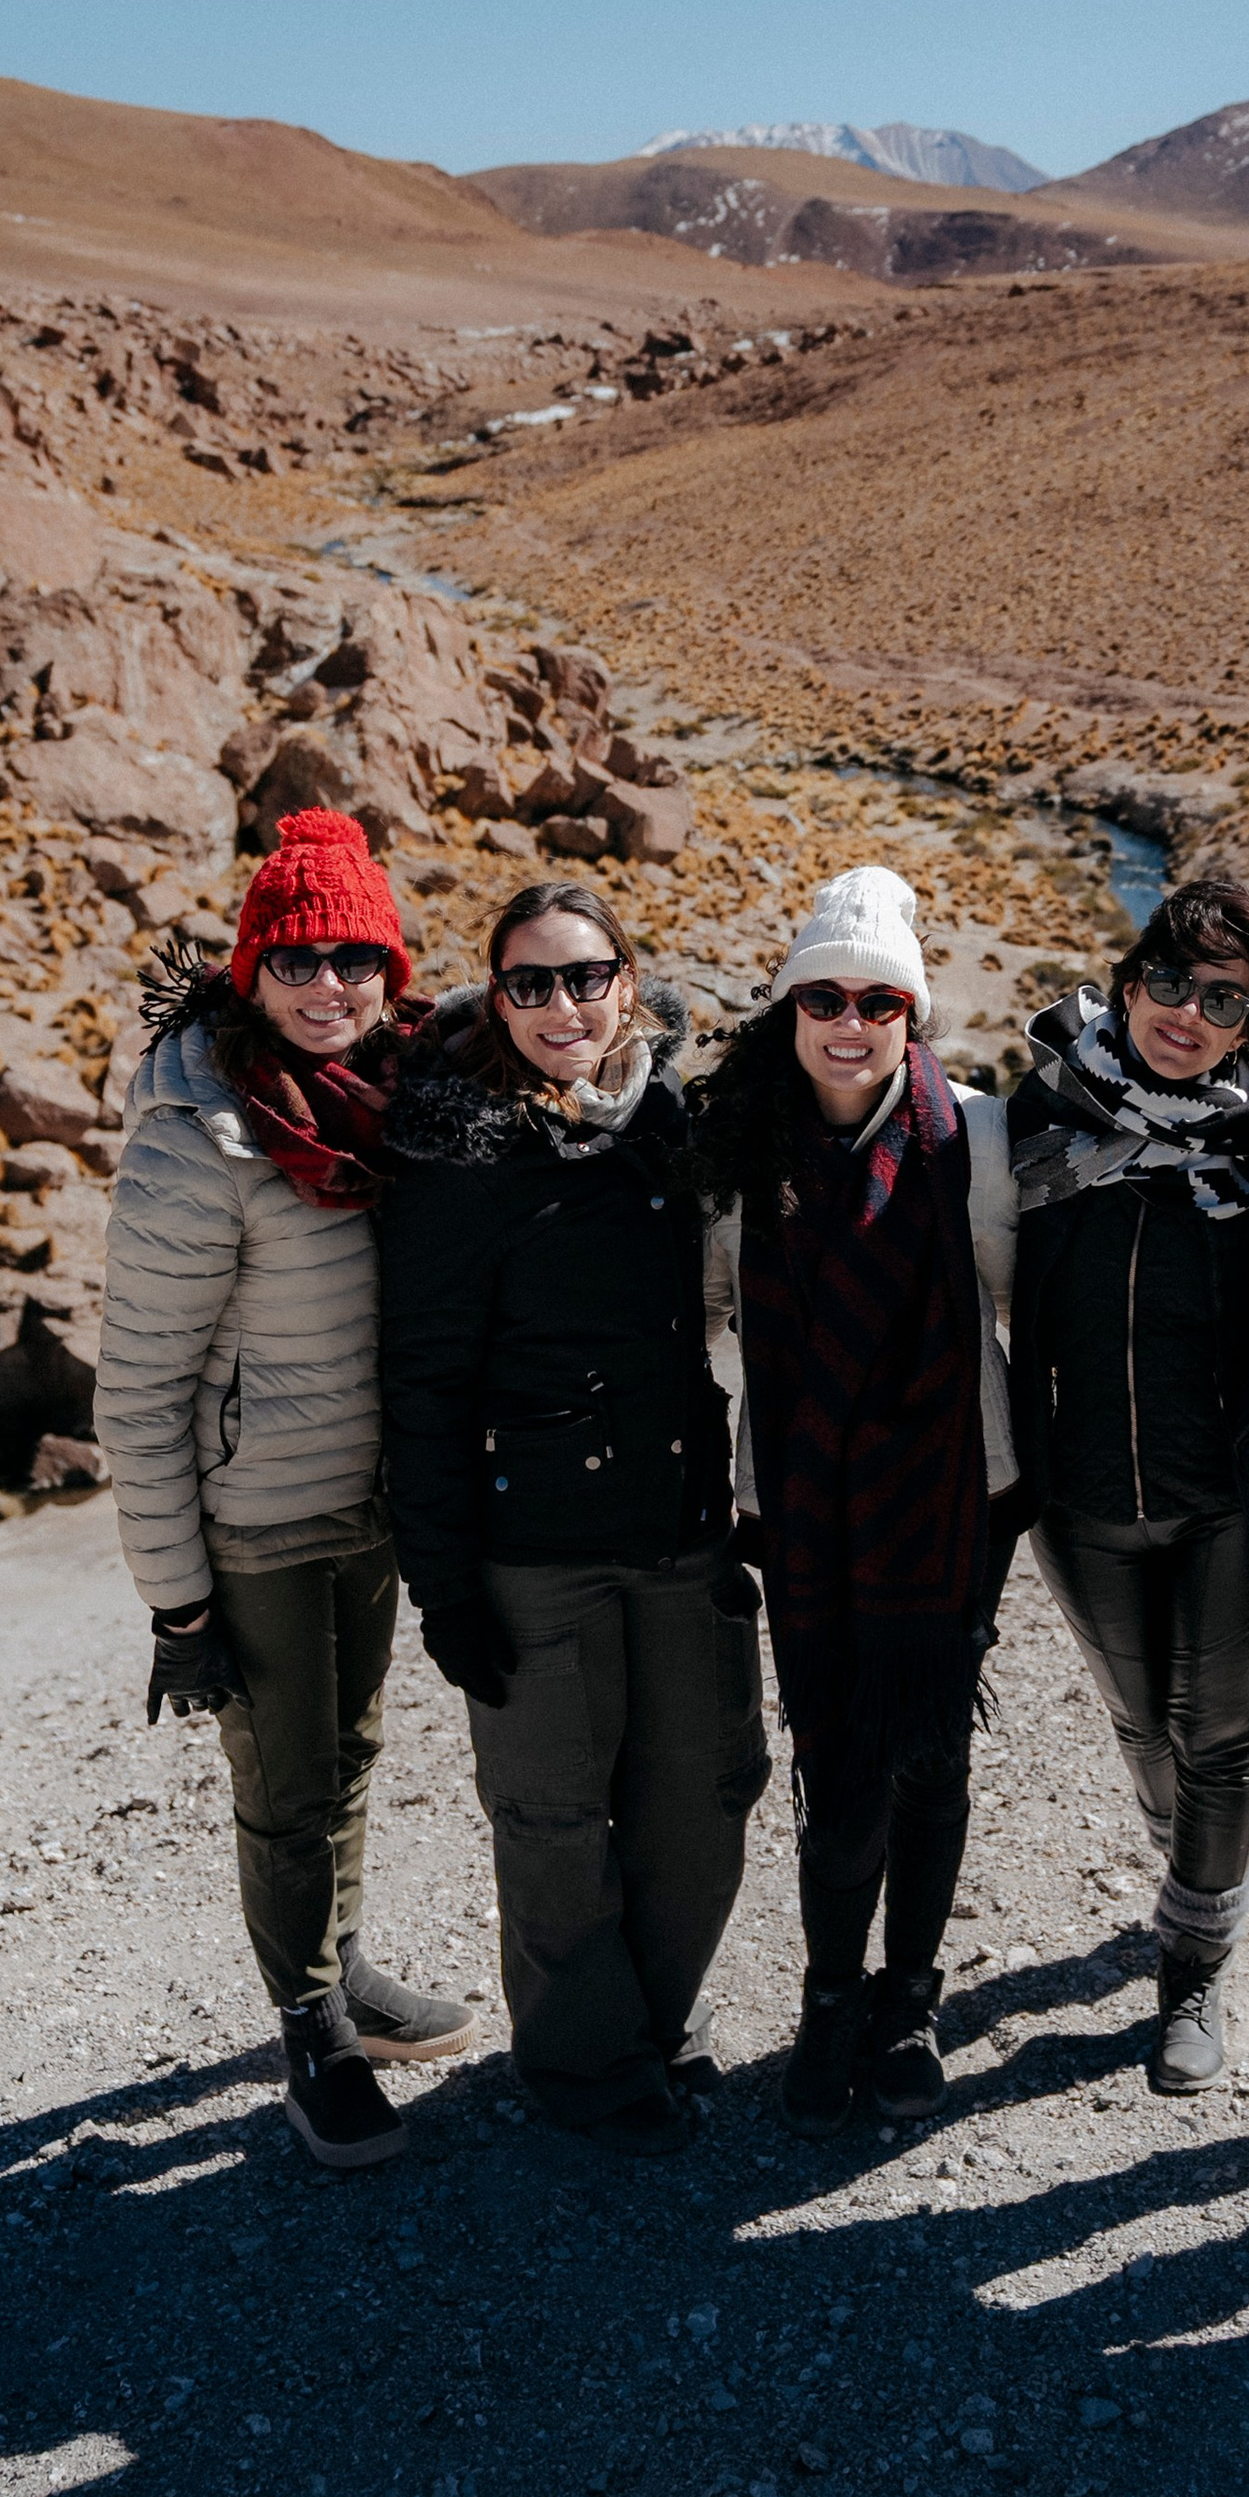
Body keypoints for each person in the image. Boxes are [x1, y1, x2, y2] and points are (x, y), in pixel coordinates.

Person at [95, 808, 472, 2174]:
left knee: (353, 1756)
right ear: (252, 968)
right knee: (286, 1784)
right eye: (301, 960)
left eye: (357, 959)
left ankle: (344, 1971)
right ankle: (310, 2031)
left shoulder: (400, 1100)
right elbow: (137, 1389)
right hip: (255, 1523)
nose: (331, 988)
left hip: (370, 1502)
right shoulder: (202, 1132)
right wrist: (178, 1605)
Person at [376, 881, 763, 2155]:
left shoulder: (666, 1117)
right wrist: (442, 1586)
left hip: (676, 1524)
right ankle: (586, 2066)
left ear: (628, 983)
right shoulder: (457, 1152)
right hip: (532, 1545)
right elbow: (422, 1383)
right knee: (551, 1821)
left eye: (586, 977)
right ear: (496, 995)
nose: (562, 1006)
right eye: (531, 982)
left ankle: (659, 2015)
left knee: (698, 1797)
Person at [690, 866, 1017, 2137]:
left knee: (932, 1756)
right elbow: (705, 1309)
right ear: (788, 1007)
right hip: (807, 1511)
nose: (849, 1020)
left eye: (878, 999)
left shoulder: (971, 1139)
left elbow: (1009, 1299)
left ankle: (911, 1999)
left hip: (949, 1504)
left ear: (910, 1013)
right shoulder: (743, 1153)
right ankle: (832, 2000)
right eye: (822, 994)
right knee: (837, 1774)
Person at [1004, 875, 1249, 2091]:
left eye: (1225, 999)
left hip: (1226, 1503)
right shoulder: (1038, 1114)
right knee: (1146, 1727)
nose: (1188, 1015)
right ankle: (1185, 1854)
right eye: (1171, 983)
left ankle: (1193, 1963)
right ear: (1130, 981)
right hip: (1079, 1499)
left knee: (1221, 1737)